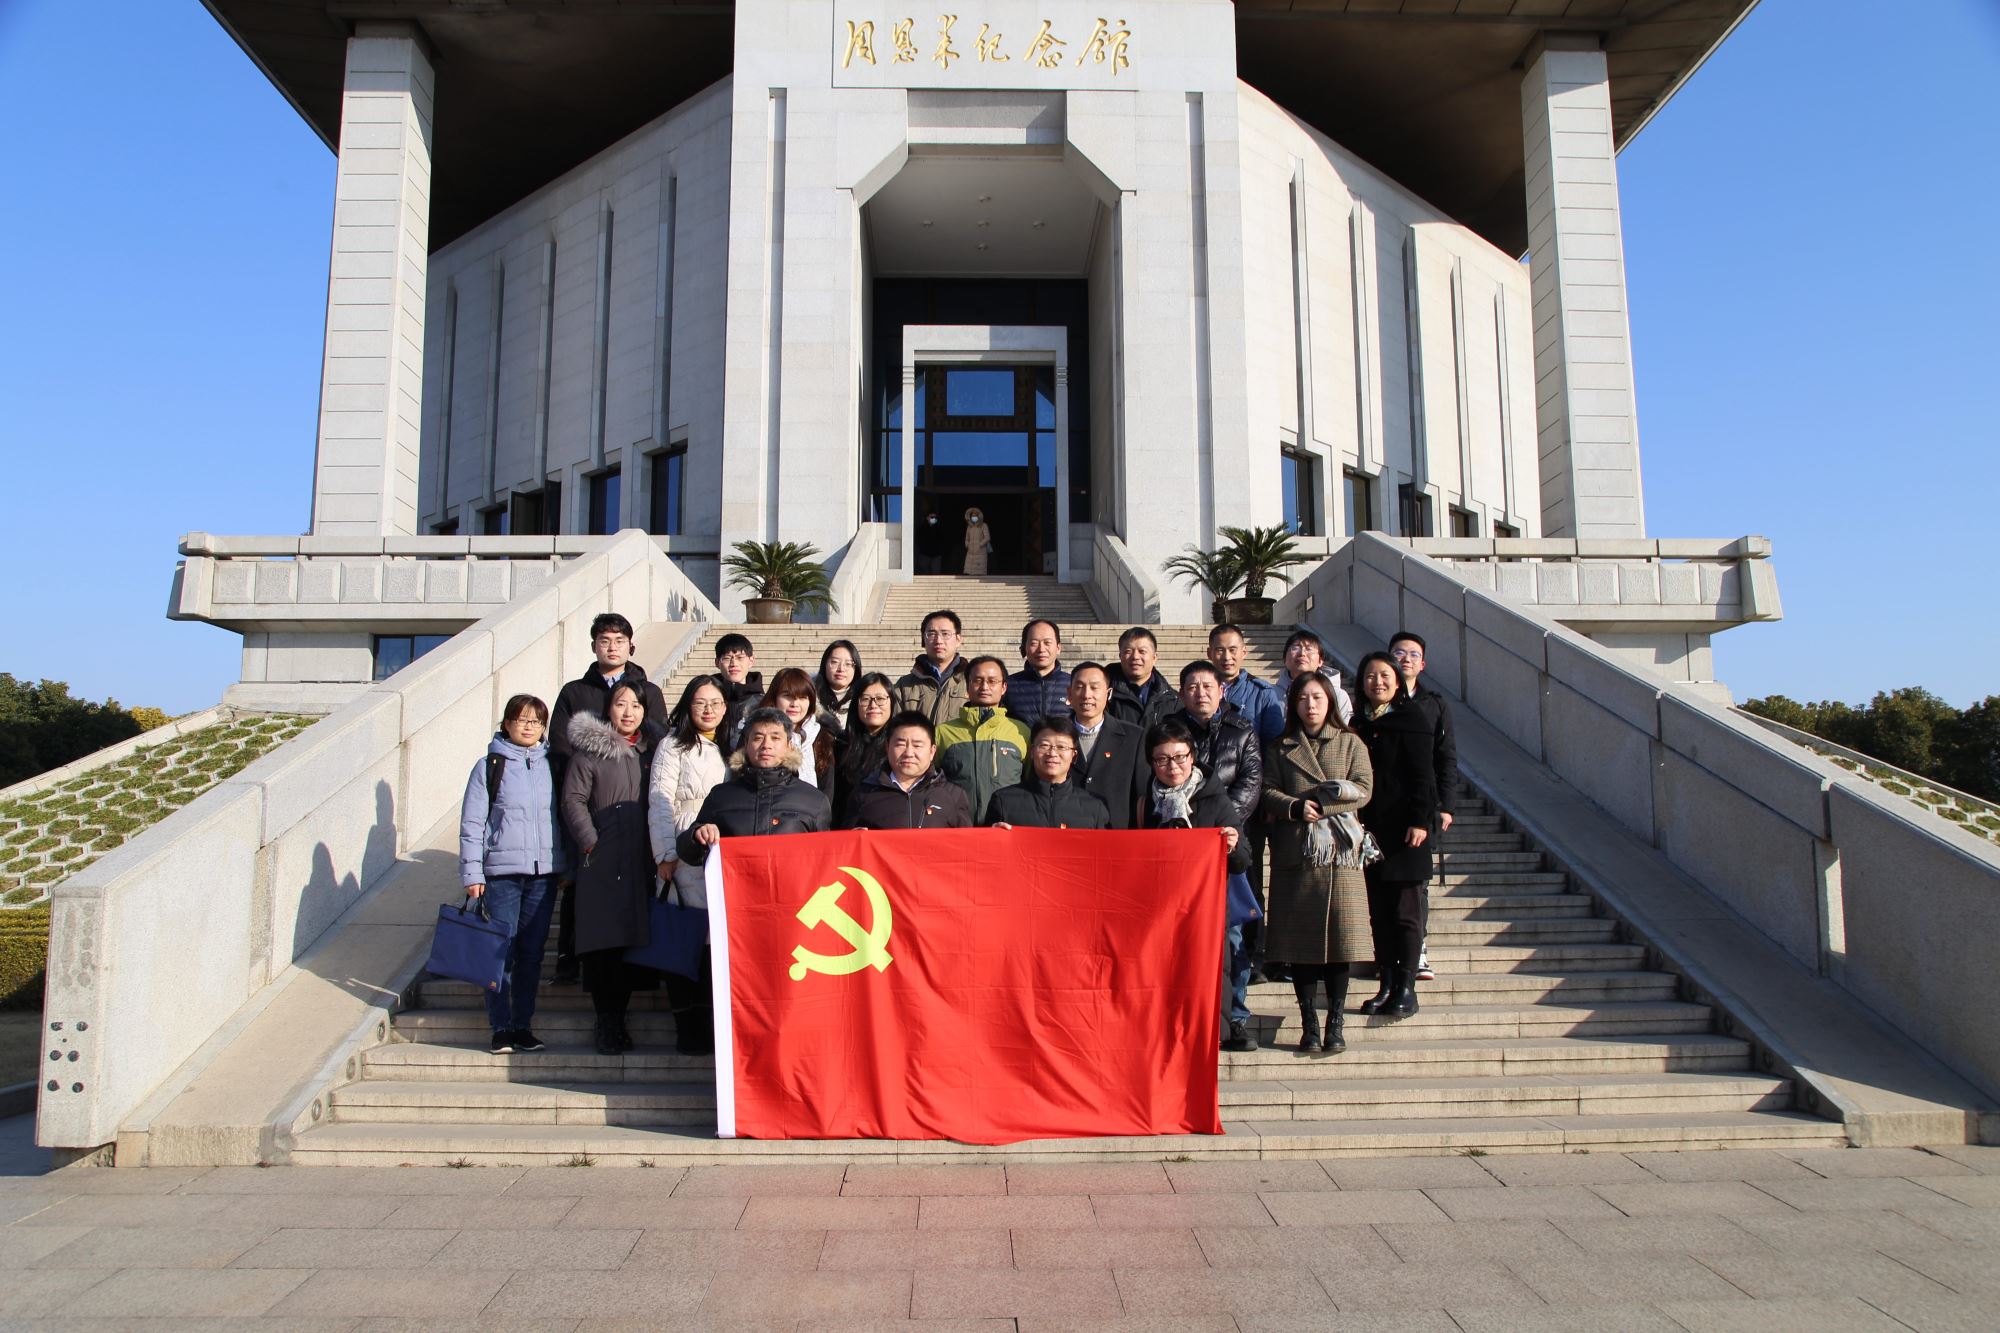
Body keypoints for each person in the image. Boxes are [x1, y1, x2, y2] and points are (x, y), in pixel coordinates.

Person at [548, 612, 669, 984]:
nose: (612, 647)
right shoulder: (575, 692)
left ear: (631, 646)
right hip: (592, 806)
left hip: (636, 818)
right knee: (581, 889)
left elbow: (659, 740)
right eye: (605, 640)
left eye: (619, 641)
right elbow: (560, 746)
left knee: (639, 896)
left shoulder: (649, 691)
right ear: (594, 646)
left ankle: (640, 970)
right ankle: (569, 959)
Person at [1260, 673, 1374, 1055]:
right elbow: (1267, 790)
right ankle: (1309, 1023)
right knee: (1301, 946)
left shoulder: (1351, 742)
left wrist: (1326, 804)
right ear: (1293, 704)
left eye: (1318, 698)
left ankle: (1335, 1023)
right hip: (1298, 851)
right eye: (1303, 698)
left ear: (1331, 702)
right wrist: (1294, 806)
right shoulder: (1280, 747)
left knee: (1340, 944)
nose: (1310, 705)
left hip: (1340, 854)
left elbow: (1364, 788)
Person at [458, 693, 568, 1055]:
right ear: (507, 724)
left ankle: (522, 1026)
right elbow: (472, 824)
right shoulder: (489, 766)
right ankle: (501, 1027)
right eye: (522, 719)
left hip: (543, 874)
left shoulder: (553, 764)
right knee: (500, 952)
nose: (529, 726)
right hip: (501, 874)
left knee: (531, 954)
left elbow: (562, 818)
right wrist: (472, 873)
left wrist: (565, 865)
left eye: (536, 721)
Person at [561, 681, 665, 1055]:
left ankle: (619, 1017)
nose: (628, 712)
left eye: (636, 705)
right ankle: (607, 1021)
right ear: (608, 708)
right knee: (603, 944)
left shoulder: (653, 752)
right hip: (603, 860)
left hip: (642, 860)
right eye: (621, 704)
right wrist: (591, 840)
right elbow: (573, 800)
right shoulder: (589, 753)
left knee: (630, 943)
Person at [1140, 717, 1254, 1052]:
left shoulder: (1215, 800)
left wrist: (1232, 844)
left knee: (1212, 971)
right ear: (1151, 763)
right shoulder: (1145, 803)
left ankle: (1216, 1033)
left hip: (1205, 908)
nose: (1172, 766)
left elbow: (1243, 861)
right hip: (1157, 909)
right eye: (1162, 759)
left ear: (1192, 756)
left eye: (1179, 757)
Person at [645, 675, 731, 1054]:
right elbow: (660, 799)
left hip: (720, 853)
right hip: (683, 848)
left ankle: (712, 1027)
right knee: (684, 941)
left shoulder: (732, 746)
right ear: (687, 706)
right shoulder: (673, 745)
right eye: (700, 702)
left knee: (715, 945)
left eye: (715, 702)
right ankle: (687, 1027)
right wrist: (664, 854)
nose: (708, 709)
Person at [1350, 651, 1438, 1020]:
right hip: (1372, 833)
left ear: (1398, 681)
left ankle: (1406, 987)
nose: (1378, 682)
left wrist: (1420, 820)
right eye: (1370, 676)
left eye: (1385, 675)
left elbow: (1423, 776)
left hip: (1406, 833)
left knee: (1405, 913)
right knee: (1380, 914)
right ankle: (1386, 983)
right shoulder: (1359, 722)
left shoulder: (1411, 719)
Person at [677, 708, 835, 868]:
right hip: (735, 883)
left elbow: (826, 861)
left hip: (791, 883)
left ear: (789, 745)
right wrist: (697, 836)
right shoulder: (721, 796)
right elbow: (688, 853)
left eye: (775, 738)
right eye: (758, 738)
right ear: (746, 744)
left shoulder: (814, 800)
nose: (766, 745)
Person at [1390, 629, 1458, 982]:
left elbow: (1446, 757)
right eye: (1399, 653)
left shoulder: (1434, 704)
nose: (1405, 659)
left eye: (1413, 654)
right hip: (1385, 803)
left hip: (1423, 804)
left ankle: (1417, 950)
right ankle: (1389, 951)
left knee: (1418, 883)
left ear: (1423, 664)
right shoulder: (1376, 700)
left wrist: (1446, 805)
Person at [935, 656, 1030, 824]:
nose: (985, 687)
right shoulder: (943, 732)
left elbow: (1030, 781)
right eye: (977, 681)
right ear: (967, 686)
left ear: (1004, 687)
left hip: (1006, 826)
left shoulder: (1020, 731)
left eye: (992, 681)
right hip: (958, 826)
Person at [842, 711, 975, 829]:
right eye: (900, 744)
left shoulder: (953, 795)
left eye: (917, 745)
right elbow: (847, 842)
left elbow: (965, 844)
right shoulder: (864, 793)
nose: (909, 753)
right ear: (887, 747)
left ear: (932, 751)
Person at [1172, 661, 1264, 824]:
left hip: (1229, 827)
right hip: (1181, 825)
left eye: (1208, 686)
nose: (1201, 693)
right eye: (1192, 687)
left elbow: (1250, 782)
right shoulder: (1169, 730)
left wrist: (1224, 820)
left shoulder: (1243, 731)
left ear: (1221, 691)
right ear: (1181, 694)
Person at [987, 718, 1111, 829]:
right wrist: (992, 836)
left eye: (1061, 747)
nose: (1052, 753)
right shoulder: (1004, 801)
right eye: (1044, 745)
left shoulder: (1094, 807)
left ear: (1074, 756)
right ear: (1032, 751)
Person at [1066, 661, 1144, 829]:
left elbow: (1142, 795)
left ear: (1108, 693)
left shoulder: (1134, 737)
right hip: (1066, 831)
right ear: (1069, 693)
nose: (1087, 695)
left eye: (1094, 688)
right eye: (1079, 687)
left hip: (1115, 833)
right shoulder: (1053, 735)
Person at [833, 672, 897, 819]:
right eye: (865, 699)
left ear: (892, 702)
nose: (873, 705)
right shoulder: (840, 745)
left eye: (880, 699)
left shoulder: (900, 746)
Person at [762, 667, 838, 790]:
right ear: (774, 698)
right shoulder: (757, 734)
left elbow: (827, 788)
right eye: (787, 696)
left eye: (802, 697)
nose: (794, 704)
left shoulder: (822, 736)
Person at [1209, 623, 1285, 745]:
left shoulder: (1262, 693)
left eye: (1232, 650)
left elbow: (1274, 744)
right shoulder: (1199, 691)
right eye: (1220, 650)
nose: (1227, 657)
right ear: (1209, 653)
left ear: (1244, 652)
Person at [895, 609, 972, 725]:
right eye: (931, 634)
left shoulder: (973, 683)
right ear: (923, 639)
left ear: (958, 640)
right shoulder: (904, 685)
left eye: (945, 634)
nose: (938, 641)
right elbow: (895, 727)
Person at [1106, 627, 1180, 734]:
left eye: (1142, 651)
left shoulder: (1172, 699)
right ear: (1120, 656)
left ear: (1154, 657)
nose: (1135, 656)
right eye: (1128, 651)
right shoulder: (1104, 693)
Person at [1003, 619, 1072, 730]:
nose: (1041, 649)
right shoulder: (1008, 686)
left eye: (1047, 643)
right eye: (1034, 643)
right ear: (1024, 648)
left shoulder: (1073, 684)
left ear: (1058, 648)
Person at [1280, 629, 1354, 725]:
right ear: (1284, 660)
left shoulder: (1338, 696)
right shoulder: (1271, 695)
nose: (1302, 653)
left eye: (1309, 649)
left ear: (1320, 661)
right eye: (1295, 648)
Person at [712, 632, 763, 751]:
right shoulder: (707, 698)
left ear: (751, 661)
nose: (734, 664)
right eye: (727, 658)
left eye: (740, 658)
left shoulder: (762, 702)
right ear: (717, 662)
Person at [814, 640, 862, 721]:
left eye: (848, 664)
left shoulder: (863, 700)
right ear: (824, 664)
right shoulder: (808, 697)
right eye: (835, 662)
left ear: (856, 668)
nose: (841, 669)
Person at [915, 507, 948, 575]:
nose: (934, 519)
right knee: (924, 574)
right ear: (927, 518)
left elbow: (943, 540)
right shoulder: (921, 529)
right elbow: (918, 541)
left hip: (936, 556)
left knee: (936, 574)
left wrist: (940, 550)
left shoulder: (939, 529)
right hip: (924, 555)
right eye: (932, 517)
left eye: (935, 517)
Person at [962, 505, 993, 576]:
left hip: (980, 552)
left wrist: (980, 544)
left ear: (979, 516)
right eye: (972, 516)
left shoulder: (983, 525)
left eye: (975, 516)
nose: (974, 517)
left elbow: (987, 537)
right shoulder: (969, 527)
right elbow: (967, 538)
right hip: (970, 551)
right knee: (970, 572)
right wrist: (967, 544)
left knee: (979, 572)